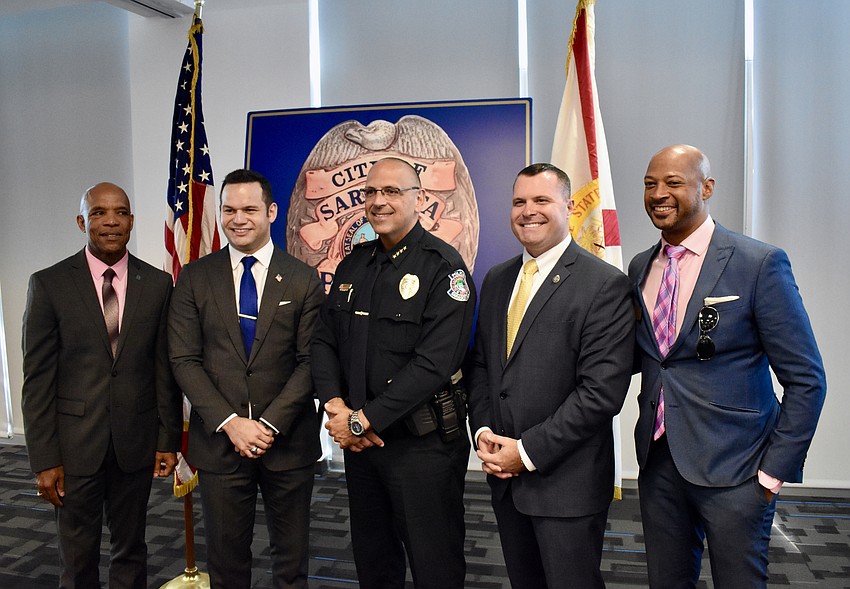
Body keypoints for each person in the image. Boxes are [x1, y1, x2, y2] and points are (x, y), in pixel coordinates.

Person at [629, 144, 827, 588]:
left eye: (673, 182)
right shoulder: (641, 266)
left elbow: (807, 379)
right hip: (660, 465)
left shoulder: (758, 263)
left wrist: (772, 474)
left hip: (738, 471)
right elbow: (653, 358)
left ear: (707, 188)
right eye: (649, 184)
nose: (658, 193)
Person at [466, 163, 634, 589]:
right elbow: (483, 366)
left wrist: (525, 452)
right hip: (505, 480)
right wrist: (483, 430)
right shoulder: (497, 278)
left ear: (569, 206)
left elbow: (600, 394)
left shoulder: (604, 285)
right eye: (519, 201)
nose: (528, 211)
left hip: (567, 487)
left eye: (541, 200)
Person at [311, 157, 476, 589]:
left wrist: (363, 420)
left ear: (418, 198)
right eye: (371, 192)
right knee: (374, 562)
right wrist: (336, 406)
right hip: (362, 446)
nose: (378, 201)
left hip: (421, 449)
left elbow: (434, 364)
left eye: (392, 191)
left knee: (434, 566)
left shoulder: (443, 267)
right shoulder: (354, 264)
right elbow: (323, 340)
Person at [168, 168, 324, 589]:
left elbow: (311, 362)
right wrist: (231, 423)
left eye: (250, 209)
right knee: (226, 563)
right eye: (229, 210)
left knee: (290, 563)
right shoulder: (195, 277)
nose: (238, 219)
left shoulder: (303, 278)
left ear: (271, 212)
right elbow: (184, 359)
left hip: (287, 443)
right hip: (220, 444)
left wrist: (268, 424)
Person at [21, 182, 181, 588]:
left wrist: (167, 439)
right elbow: (37, 380)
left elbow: (163, 369)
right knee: (77, 558)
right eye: (98, 213)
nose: (111, 221)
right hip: (74, 448)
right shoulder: (49, 284)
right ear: (82, 222)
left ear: (131, 221)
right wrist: (44, 459)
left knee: (132, 551)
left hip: (136, 444)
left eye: (120, 212)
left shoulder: (158, 284)